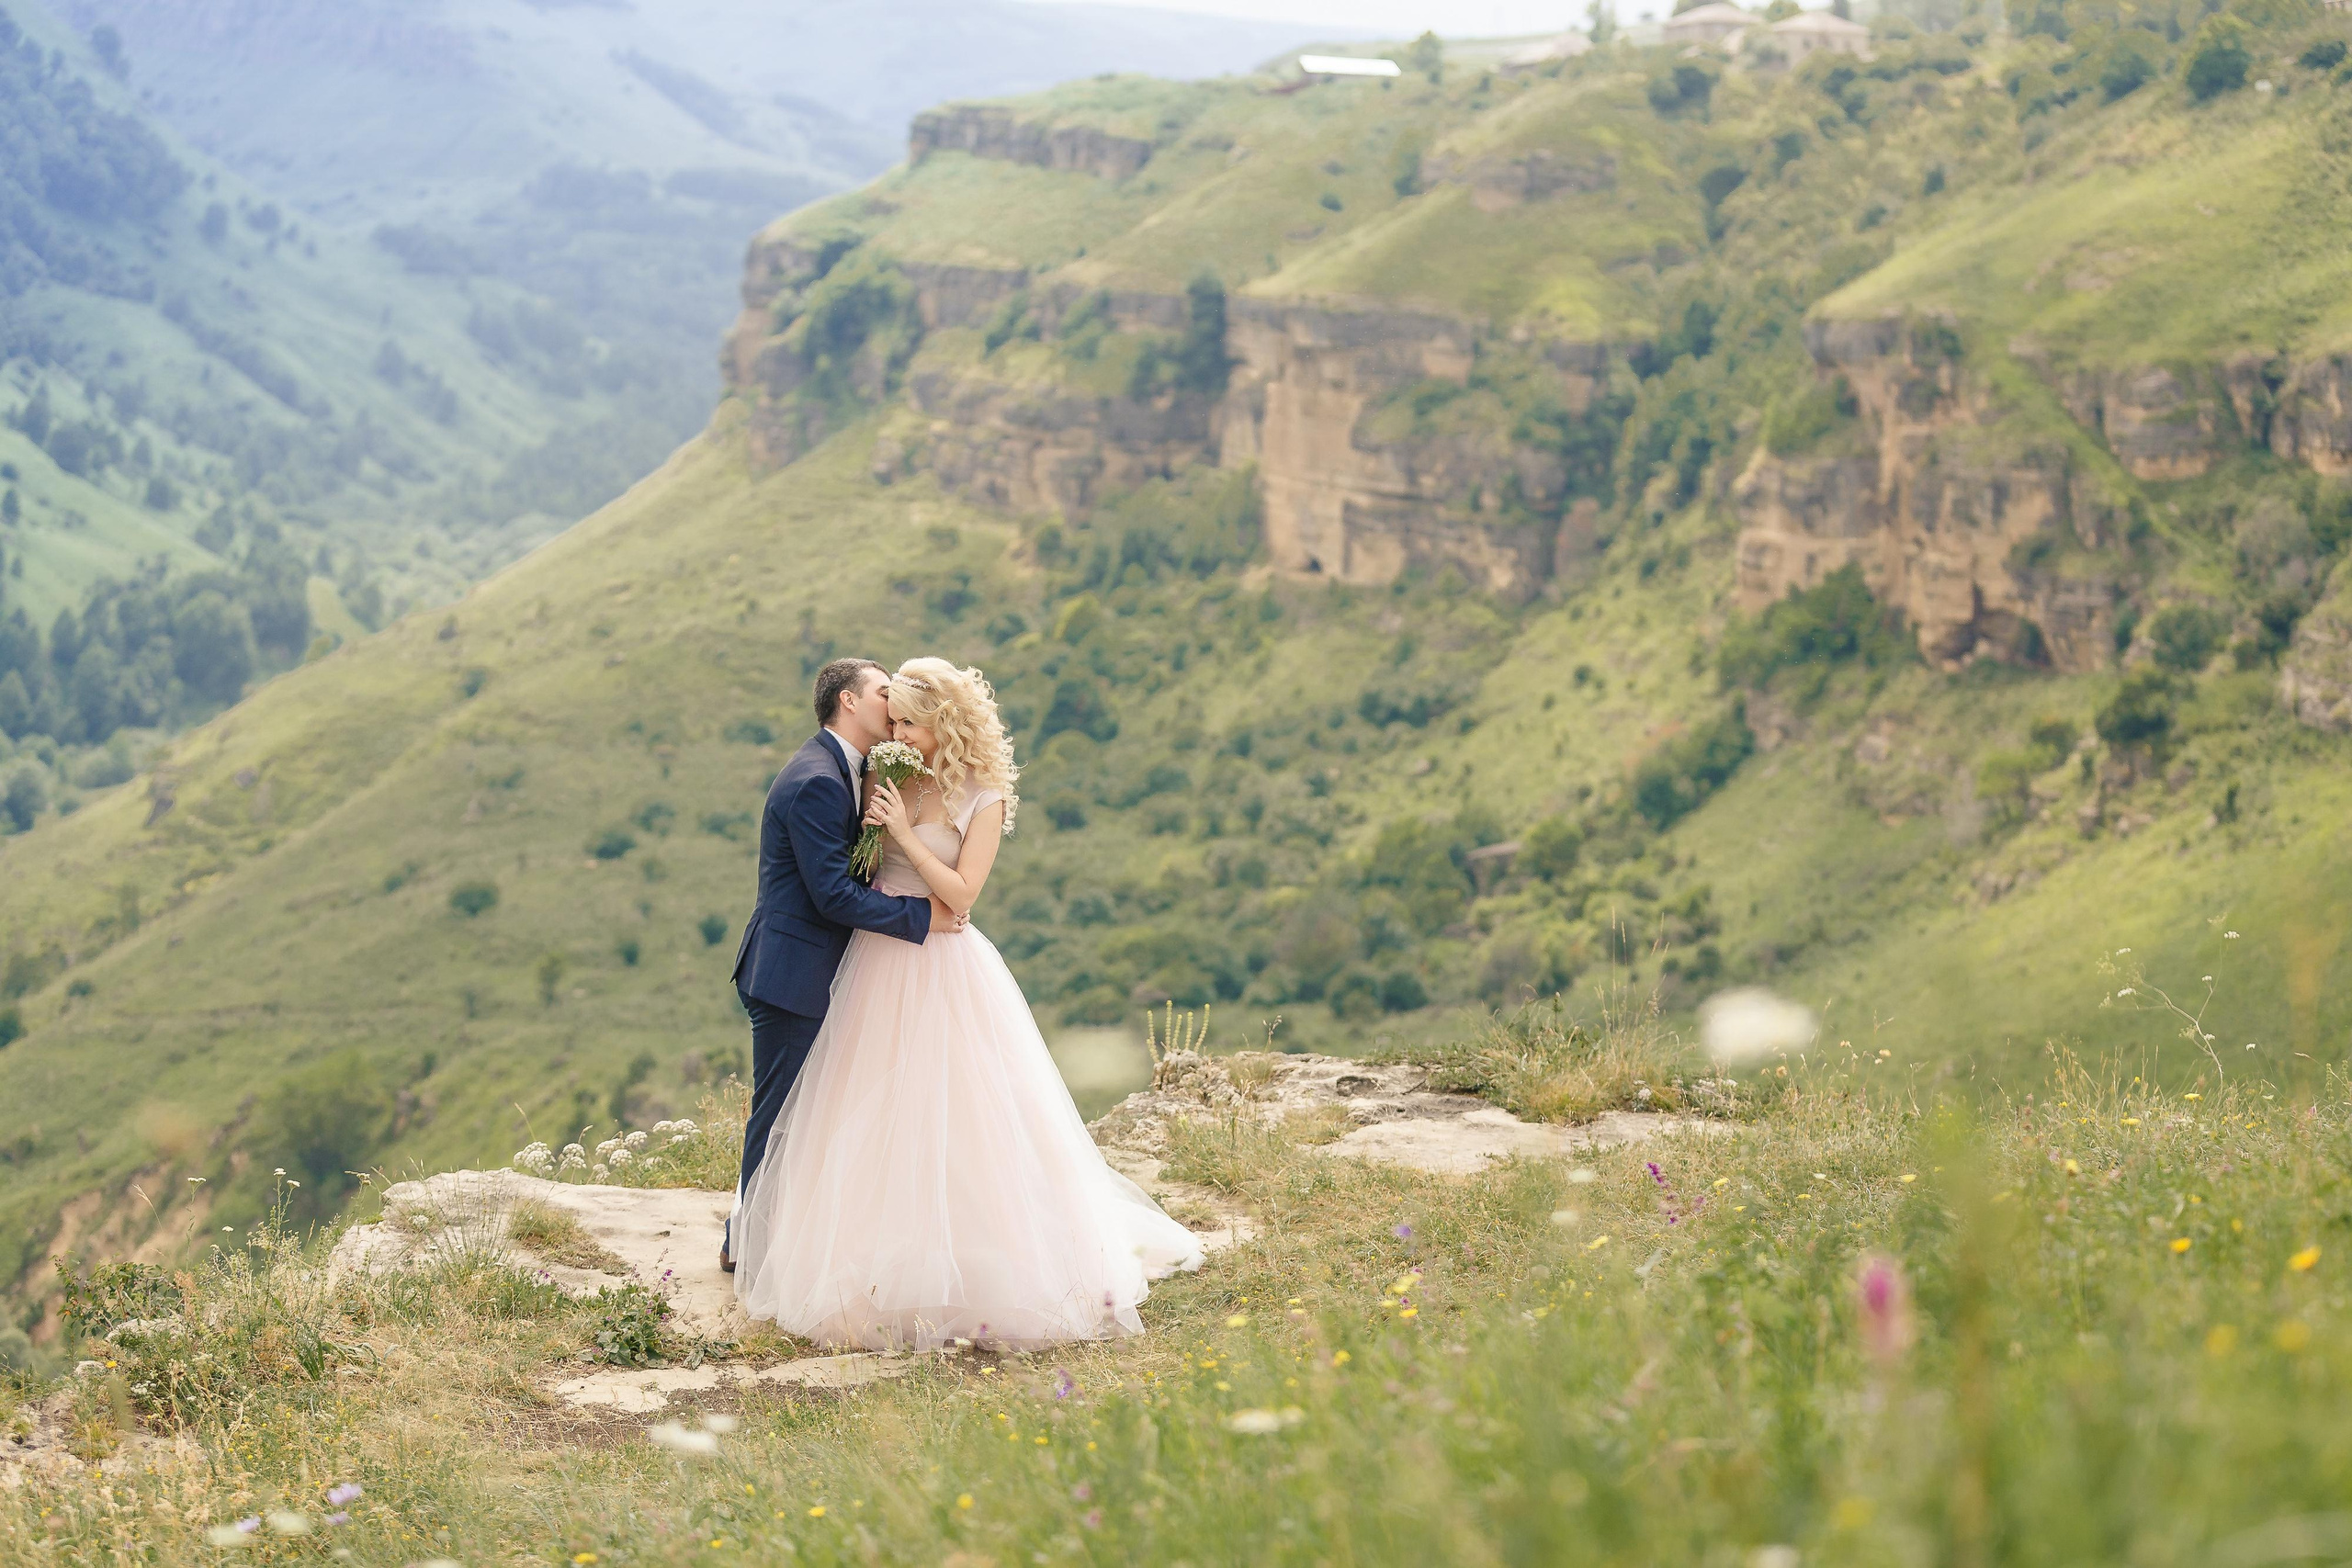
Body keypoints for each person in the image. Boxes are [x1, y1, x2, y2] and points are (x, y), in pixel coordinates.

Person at [733, 657, 1203, 1348]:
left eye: (908, 723)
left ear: (942, 723)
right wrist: (883, 842)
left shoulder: (984, 796)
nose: (895, 733)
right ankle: (845, 1259)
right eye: (890, 719)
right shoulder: (882, 773)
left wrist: (899, 841)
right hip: (873, 964)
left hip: (943, 963)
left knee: (960, 1113)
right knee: (861, 1112)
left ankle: (975, 1262)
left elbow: (962, 896)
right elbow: (845, 877)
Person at [723, 658, 962, 1274]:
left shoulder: (850, 771)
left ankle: (768, 1236)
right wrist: (922, 917)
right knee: (780, 1118)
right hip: (791, 974)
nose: (894, 703)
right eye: (885, 692)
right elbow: (831, 894)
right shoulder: (817, 780)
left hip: (811, 969)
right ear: (850, 701)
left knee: (804, 1115)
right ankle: (745, 1245)